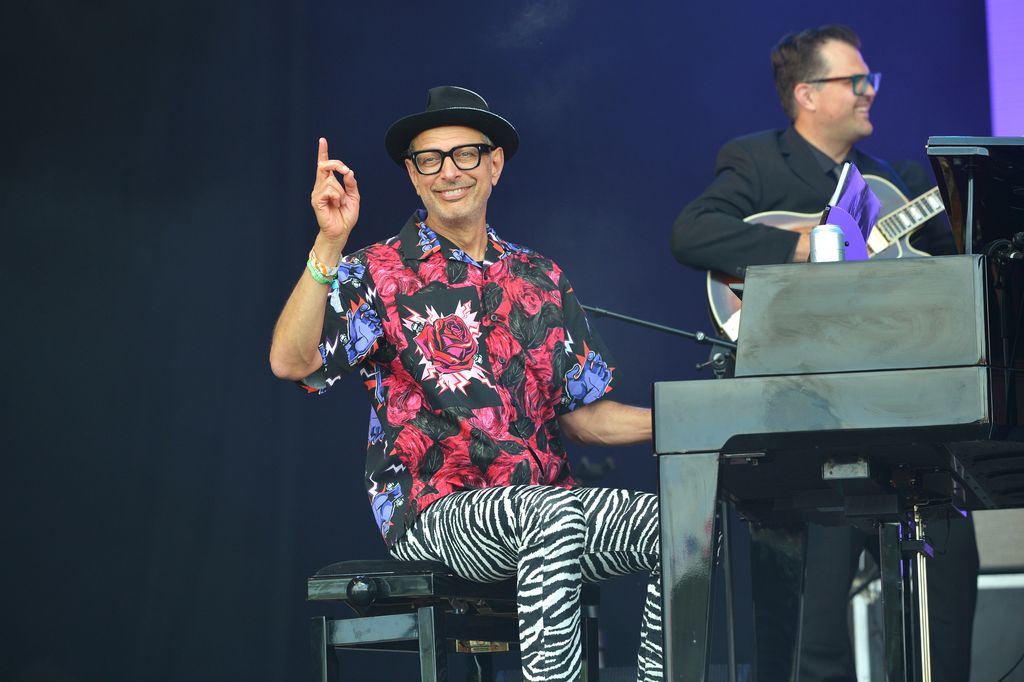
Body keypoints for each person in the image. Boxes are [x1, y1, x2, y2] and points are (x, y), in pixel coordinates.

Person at [270, 86, 662, 682]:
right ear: (413, 175)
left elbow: (582, 417)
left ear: (496, 164)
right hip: (434, 512)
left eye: (467, 155)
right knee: (551, 518)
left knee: (680, 522)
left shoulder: (539, 275)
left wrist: (691, 421)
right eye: (430, 159)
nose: (449, 172)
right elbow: (291, 362)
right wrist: (329, 244)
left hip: (545, 506)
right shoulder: (377, 271)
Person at [670, 25, 979, 682]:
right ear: (807, 94)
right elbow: (693, 234)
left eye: (870, 79)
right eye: (855, 80)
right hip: (806, 421)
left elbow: (952, 256)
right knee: (815, 622)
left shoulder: (886, 180)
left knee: (944, 567)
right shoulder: (758, 161)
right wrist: (802, 249)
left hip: (899, 415)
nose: (870, 91)